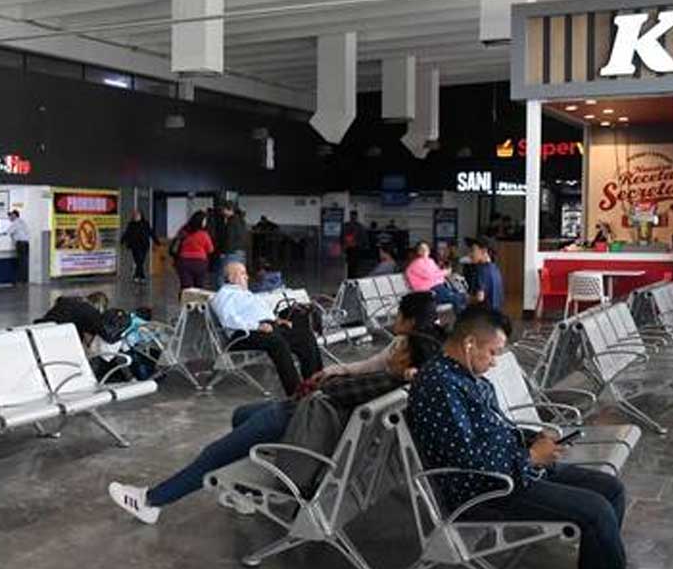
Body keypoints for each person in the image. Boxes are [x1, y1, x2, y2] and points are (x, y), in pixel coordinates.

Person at [109, 292, 443, 525]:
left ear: (410, 329)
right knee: (241, 417)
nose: (393, 349)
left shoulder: (390, 375)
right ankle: (243, 491)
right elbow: (372, 368)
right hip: (317, 419)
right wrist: (339, 370)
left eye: (400, 320)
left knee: (215, 453)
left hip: (305, 418)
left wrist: (325, 381)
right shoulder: (411, 370)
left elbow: (338, 391)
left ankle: (151, 501)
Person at [408, 306, 634, 569]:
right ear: (469, 344)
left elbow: (493, 431)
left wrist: (533, 438)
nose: (494, 362)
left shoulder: (462, 375)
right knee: (597, 512)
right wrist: (530, 457)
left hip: (513, 470)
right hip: (486, 490)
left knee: (611, 489)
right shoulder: (441, 385)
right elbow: (466, 459)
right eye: (493, 352)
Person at [209, 262, 322, 396]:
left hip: (267, 328)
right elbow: (229, 319)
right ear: (232, 277)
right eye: (243, 273)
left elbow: (260, 312)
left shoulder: (246, 294)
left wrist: (278, 320)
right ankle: (296, 392)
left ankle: (316, 384)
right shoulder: (224, 294)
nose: (247, 277)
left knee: (305, 336)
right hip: (244, 334)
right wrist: (257, 326)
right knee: (278, 343)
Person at [405, 241, 466, 313]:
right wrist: (445, 272)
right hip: (427, 292)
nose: (424, 251)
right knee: (457, 298)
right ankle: (460, 320)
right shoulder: (416, 264)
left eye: (426, 248)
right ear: (418, 251)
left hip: (438, 287)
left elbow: (437, 273)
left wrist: (442, 275)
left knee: (461, 296)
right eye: (421, 249)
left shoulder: (430, 261)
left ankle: (459, 318)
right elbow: (430, 275)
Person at [36, 291, 108, 345]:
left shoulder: (68, 301)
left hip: (40, 331)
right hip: (58, 339)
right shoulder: (90, 311)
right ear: (99, 306)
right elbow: (102, 335)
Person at [174, 211, 214, 291]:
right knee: (199, 288)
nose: (205, 222)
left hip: (184, 262)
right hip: (200, 263)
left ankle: (186, 303)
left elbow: (176, 243)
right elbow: (210, 249)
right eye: (204, 220)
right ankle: (197, 303)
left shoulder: (184, 231)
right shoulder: (204, 234)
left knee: (186, 288)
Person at [214, 204, 249, 288]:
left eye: (224, 210)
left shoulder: (231, 222)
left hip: (231, 252)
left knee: (223, 275)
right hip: (241, 251)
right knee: (239, 275)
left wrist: (224, 252)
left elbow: (229, 238)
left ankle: (222, 294)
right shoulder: (242, 221)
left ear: (229, 210)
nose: (222, 212)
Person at [468, 236, 504, 311]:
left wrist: (464, 298)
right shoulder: (495, 268)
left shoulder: (481, 270)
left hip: (483, 316)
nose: (470, 254)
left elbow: (480, 297)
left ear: (484, 251)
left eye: (473, 250)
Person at [120, 209, 156, 283]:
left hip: (144, 245)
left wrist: (156, 241)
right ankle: (141, 276)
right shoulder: (131, 224)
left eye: (137, 215)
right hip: (134, 245)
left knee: (140, 261)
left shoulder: (145, 223)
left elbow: (151, 232)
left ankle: (137, 276)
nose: (136, 217)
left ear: (141, 216)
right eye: (135, 215)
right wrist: (122, 240)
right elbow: (127, 233)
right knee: (138, 261)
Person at [7, 209, 31, 285]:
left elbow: (8, 232)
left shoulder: (15, 223)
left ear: (14, 215)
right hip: (26, 243)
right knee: (25, 262)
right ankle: (25, 279)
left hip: (21, 244)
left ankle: (21, 280)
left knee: (21, 262)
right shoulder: (22, 222)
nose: (9, 218)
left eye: (10, 216)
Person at [343, 210, 368, 278]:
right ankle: (352, 276)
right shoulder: (359, 226)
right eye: (352, 215)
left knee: (351, 264)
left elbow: (342, 236)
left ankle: (350, 276)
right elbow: (363, 237)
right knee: (354, 264)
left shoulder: (347, 225)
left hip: (351, 248)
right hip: (354, 248)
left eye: (353, 215)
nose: (353, 217)